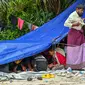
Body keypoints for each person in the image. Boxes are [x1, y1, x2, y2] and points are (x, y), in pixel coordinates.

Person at [64, 4, 85, 69]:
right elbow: (65, 24)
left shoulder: (78, 15)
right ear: (77, 9)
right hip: (73, 34)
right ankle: (72, 66)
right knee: (73, 50)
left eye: (82, 11)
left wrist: (82, 21)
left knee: (82, 48)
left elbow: (80, 23)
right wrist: (74, 24)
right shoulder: (72, 15)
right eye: (81, 10)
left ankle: (81, 65)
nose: (82, 12)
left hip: (79, 34)